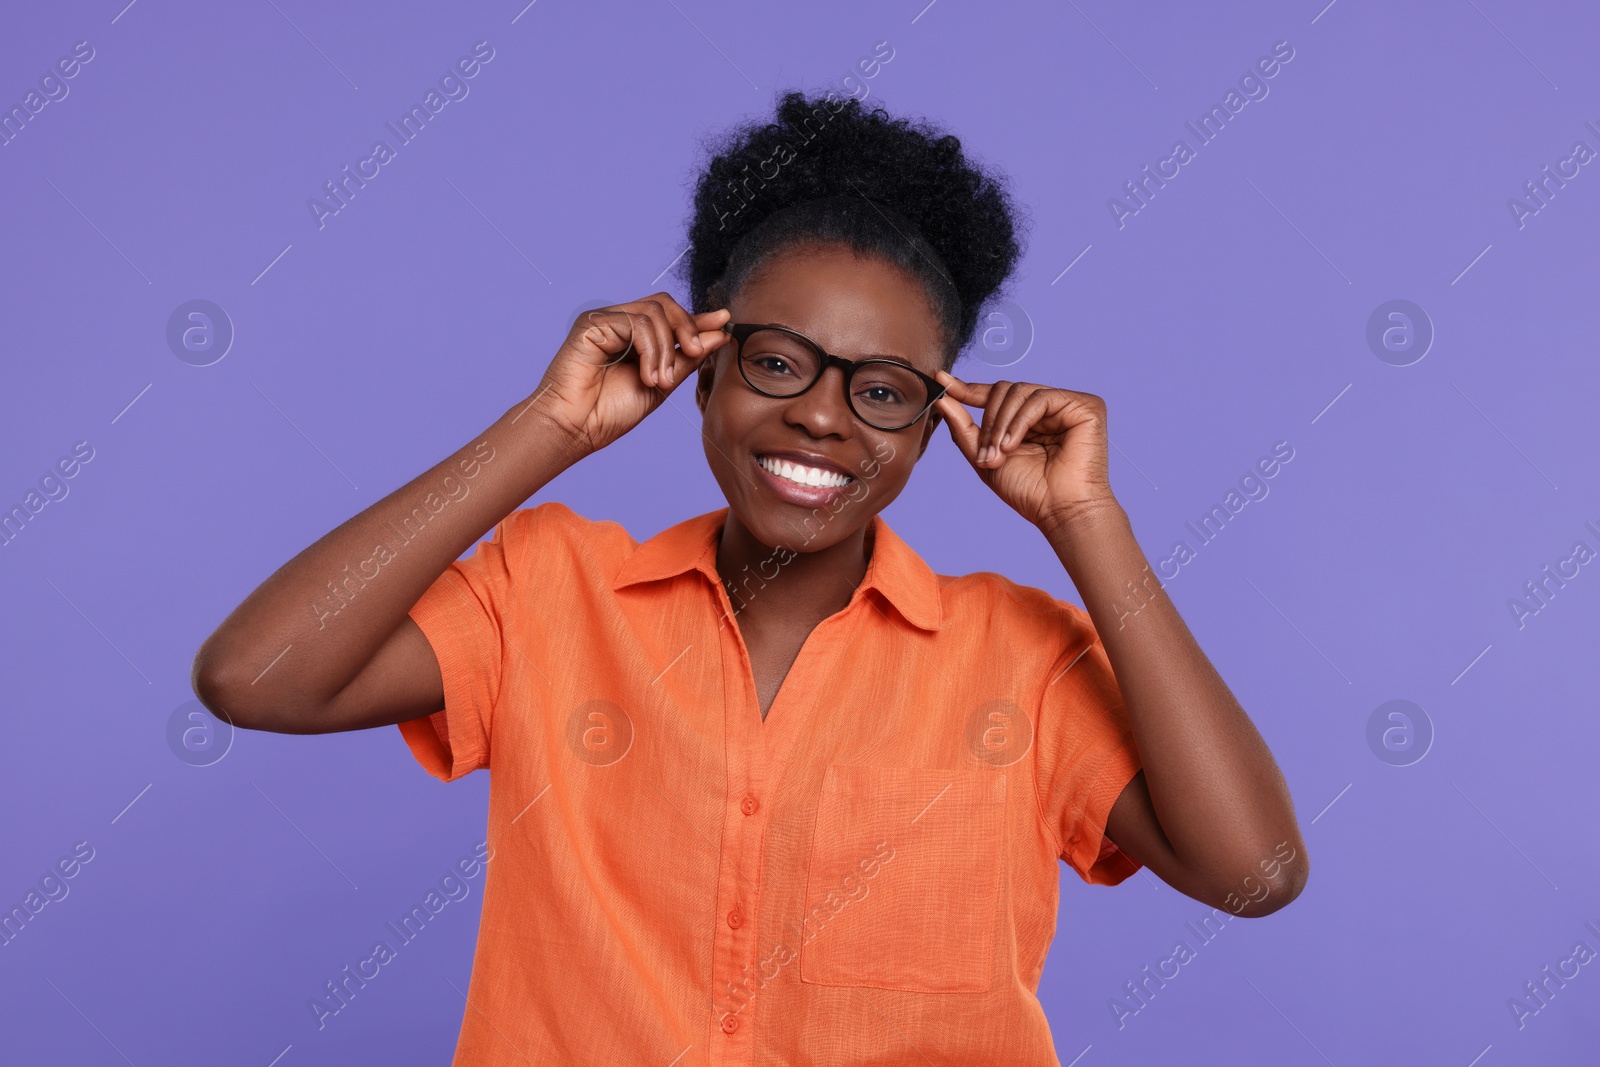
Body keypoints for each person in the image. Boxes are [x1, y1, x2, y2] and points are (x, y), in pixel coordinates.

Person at [193, 89, 1307, 1065]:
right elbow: (256, 677)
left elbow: (1252, 872)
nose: (820, 414)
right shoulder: (548, 589)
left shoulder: (1020, 653)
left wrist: (1086, 521)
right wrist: (550, 425)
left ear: (930, 430)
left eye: (879, 389)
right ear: (701, 375)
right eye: (776, 363)